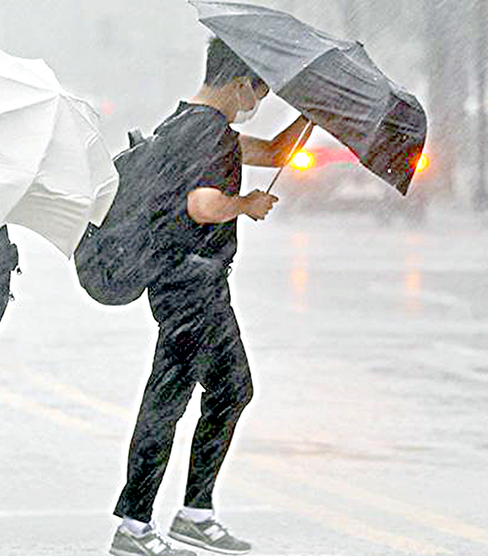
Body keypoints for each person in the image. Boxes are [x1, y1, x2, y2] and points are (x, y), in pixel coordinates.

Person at [109, 38, 312, 556]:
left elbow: (269, 153)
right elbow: (202, 205)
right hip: (193, 286)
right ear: (241, 83)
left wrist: (311, 115)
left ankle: (177, 514)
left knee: (190, 395)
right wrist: (246, 204)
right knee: (209, 394)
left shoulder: (185, 125)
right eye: (260, 89)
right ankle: (148, 521)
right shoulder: (210, 134)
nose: (260, 99)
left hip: (178, 282)